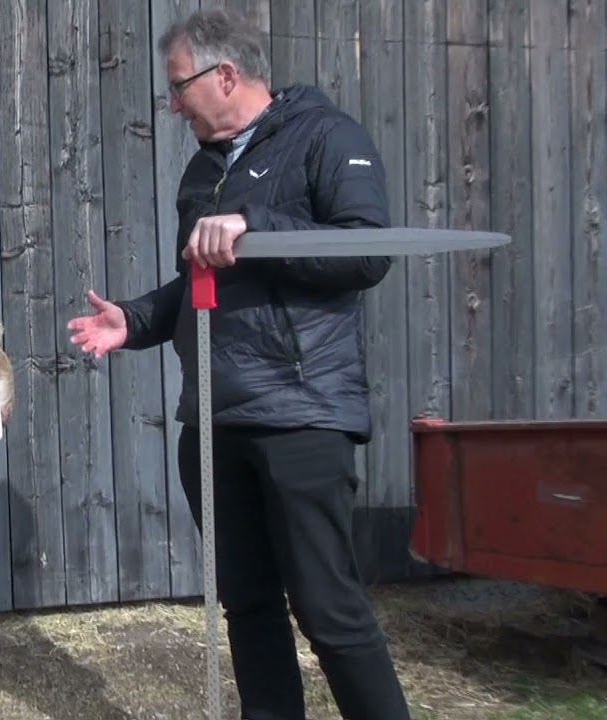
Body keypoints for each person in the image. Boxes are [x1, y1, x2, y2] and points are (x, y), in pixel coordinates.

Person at [67, 9, 411, 720]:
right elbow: (203, 283)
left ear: (225, 75)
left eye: (178, 86)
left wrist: (258, 226)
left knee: (327, 608)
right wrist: (132, 320)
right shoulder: (203, 170)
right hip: (216, 421)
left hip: (302, 412)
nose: (171, 104)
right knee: (248, 605)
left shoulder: (327, 137)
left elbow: (368, 251)